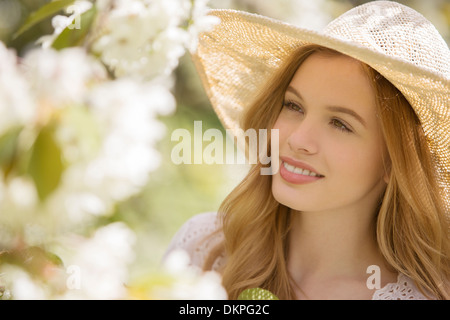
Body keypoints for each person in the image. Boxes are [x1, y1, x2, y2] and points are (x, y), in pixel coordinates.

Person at [163, 1, 450, 300]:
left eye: (340, 124)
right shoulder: (203, 250)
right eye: (293, 106)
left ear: (394, 162)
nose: (298, 139)